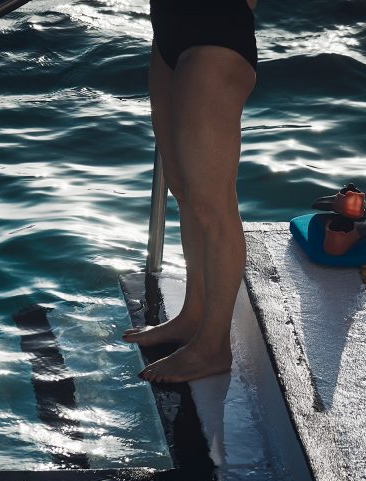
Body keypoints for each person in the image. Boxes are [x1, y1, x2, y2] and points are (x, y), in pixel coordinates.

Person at [122, 0, 258, 383]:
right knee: (183, 190)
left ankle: (214, 347)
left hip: (214, 34)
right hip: (169, 28)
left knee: (211, 205)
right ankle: (193, 315)